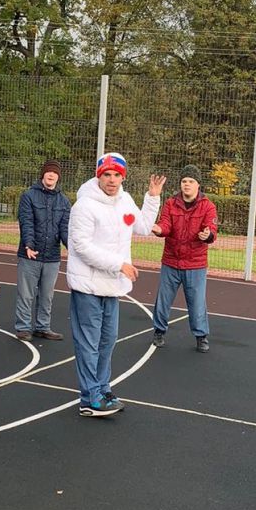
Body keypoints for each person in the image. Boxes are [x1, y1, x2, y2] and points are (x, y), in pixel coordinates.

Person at [66, 152, 165, 417]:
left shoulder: (125, 202)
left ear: (123, 177)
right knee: (89, 343)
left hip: (112, 287)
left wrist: (153, 197)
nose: (112, 180)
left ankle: (102, 387)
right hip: (88, 286)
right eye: (107, 174)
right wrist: (118, 263)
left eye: (117, 175)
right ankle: (90, 398)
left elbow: (142, 226)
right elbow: (81, 246)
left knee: (107, 341)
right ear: (99, 176)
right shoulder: (84, 206)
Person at [150, 163, 218, 353]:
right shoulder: (171, 203)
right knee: (163, 300)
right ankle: (159, 331)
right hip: (171, 261)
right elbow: (165, 225)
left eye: (191, 181)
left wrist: (208, 235)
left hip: (195, 264)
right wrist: (158, 229)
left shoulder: (208, 206)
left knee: (196, 303)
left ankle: (201, 336)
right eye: (183, 181)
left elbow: (211, 230)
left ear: (198, 185)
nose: (186, 184)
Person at [15, 159, 71, 342]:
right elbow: (26, 222)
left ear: (58, 176)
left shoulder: (64, 201)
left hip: (52, 257)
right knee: (26, 293)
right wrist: (28, 245)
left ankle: (43, 327)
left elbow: (65, 228)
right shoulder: (29, 196)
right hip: (30, 254)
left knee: (47, 295)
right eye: (48, 172)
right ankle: (23, 328)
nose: (51, 175)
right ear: (43, 174)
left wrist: (71, 247)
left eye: (54, 172)